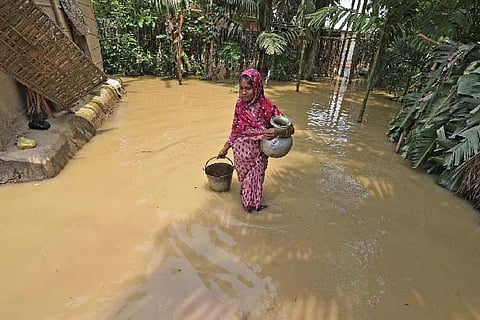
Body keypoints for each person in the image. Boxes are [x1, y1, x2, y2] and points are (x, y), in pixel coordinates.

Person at [217, 68, 294, 212]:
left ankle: (251, 207)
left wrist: (276, 131)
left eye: (248, 88)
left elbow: (291, 129)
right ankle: (249, 197)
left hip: (257, 156)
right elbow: (235, 131)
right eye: (241, 88)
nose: (243, 92)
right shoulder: (240, 105)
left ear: (257, 88)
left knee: (253, 185)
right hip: (240, 155)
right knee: (245, 182)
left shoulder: (267, 107)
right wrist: (225, 148)